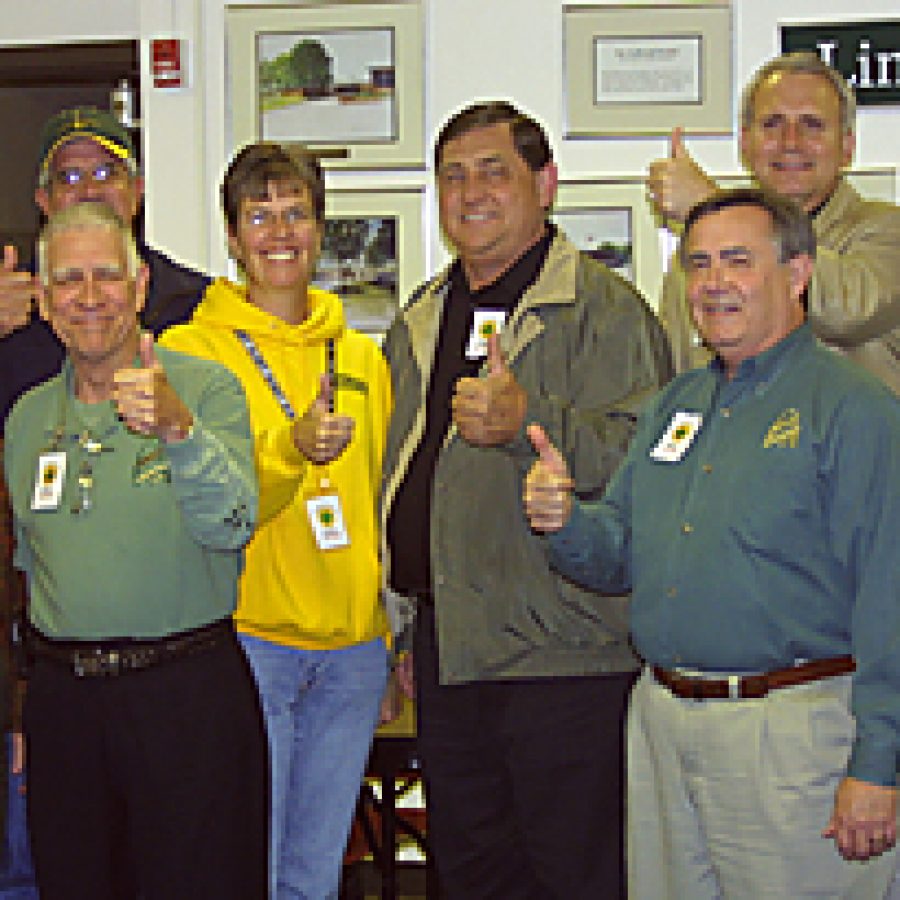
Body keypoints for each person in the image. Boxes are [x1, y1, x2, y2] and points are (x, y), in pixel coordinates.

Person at [524, 188, 900, 899]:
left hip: (792, 734)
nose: (713, 283)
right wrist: (565, 519)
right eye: (697, 264)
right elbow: (620, 554)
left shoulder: (855, 409)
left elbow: (892, 595)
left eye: (737, 261)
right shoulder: (677, 403)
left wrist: (880, 765)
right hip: (663, 723)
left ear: (797, 275)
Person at [381, 101, 672, 898]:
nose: (470, 191)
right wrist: (402, 625)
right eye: (451, 175)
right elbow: (400, 480)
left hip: (564, 657)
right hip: (450, 651)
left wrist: (527, 422)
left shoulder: (606, 311)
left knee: (573, 876)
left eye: (492, 171)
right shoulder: (419, 319)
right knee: (472, 875)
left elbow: (647, 462)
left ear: (544, 184)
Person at [3, 202, 267, 899]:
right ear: (41, 298)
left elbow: (234, 524)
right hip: (66, 708)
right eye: (67, 281)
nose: (88, 298)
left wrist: (180, 433)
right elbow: (32, 573)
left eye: (106, 276)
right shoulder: (27, 419)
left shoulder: (207, 389)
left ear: (142, 284)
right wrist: (26, 711)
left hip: (186, 696)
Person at [161, 142, 392, 899]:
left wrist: (389, 636)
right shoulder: (190, 352)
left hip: (353, 655)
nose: (280, 232)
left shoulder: (362, 355)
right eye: (259, 216)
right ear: (231, 236)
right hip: (249, 643)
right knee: (247, 864)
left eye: (296, 213)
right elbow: (199, 496)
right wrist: (289, 450)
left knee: (317, 871)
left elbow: (373, 507)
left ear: (321, 230)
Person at [648, 52, 900, 392]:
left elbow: (849, 310)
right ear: (745, 144)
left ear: (847, 147)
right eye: (772, 124)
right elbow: (672, 383)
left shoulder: (885, 231)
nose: (790, 143)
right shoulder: (695, 256)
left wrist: (710, 206)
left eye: (812, 125)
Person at [0, 106, 211, 425]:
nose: (90, 191)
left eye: (106, 172)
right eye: (69, 177)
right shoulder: (13, 304)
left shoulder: (195, 301)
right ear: (44, 200)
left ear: (137, 191)